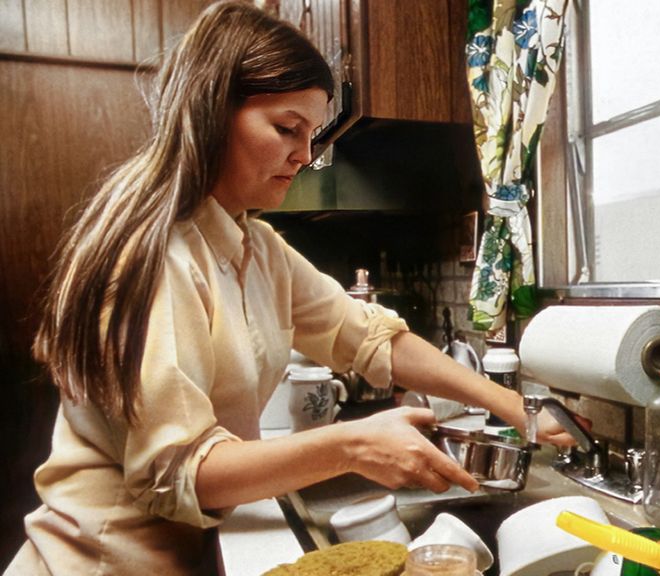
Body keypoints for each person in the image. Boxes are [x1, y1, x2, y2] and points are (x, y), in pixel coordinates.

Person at [4, 2, 571, 574]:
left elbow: (369, 336)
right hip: (95, 563)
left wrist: (514, 408)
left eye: (312, 133)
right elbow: (180, 475)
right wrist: (353, 445)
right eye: (286, 129)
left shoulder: (253, 244)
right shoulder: (154, 258)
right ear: (211, 114)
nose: (305, 155)